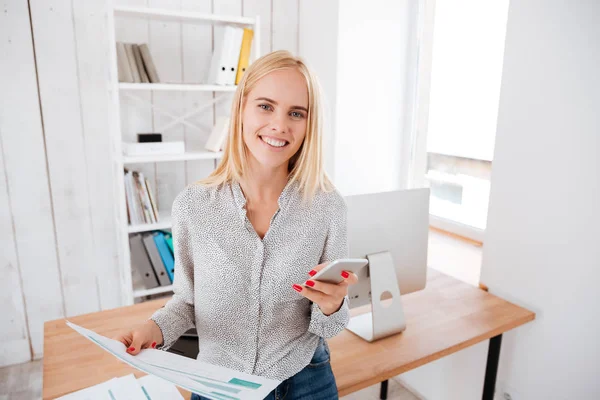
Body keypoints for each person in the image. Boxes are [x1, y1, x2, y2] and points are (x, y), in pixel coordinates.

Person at [114, 50, 358, 400]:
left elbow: (330, 327)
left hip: (307, 379)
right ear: (241, 108)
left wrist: (332, 304)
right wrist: (151, 328)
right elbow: (186, 303)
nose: (279, 125)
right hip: (217, 385)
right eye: (265, 106)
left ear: (309, 124)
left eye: (296, 113)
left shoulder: (328, 207)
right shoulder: (193, 206)